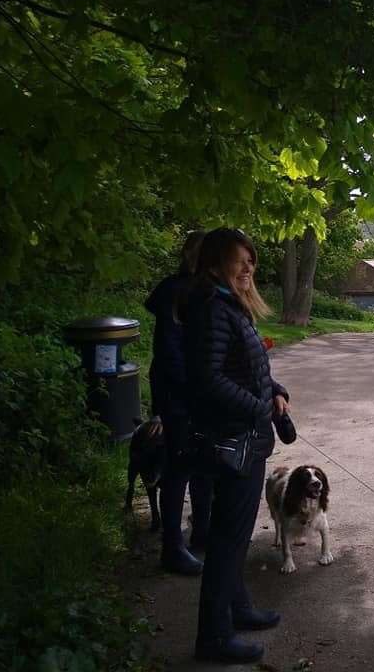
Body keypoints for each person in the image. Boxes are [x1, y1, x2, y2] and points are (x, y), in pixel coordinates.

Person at [183, 228, 290, 664]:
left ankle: (238, 608)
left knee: (236, 534)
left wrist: (275, 389)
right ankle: (213, 637)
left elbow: (247, 366)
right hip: (235, 440)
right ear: (214, 263)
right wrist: (256, 407)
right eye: (240, 260)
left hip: (246, 436)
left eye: (252, 261)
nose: (249, 268)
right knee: (228, 539)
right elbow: (208, 379)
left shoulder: (230, 308)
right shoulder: (212, 310)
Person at [144, 231, 212, 576]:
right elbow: (169, 353)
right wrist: (194, 389)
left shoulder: (202, 291)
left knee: (204, 464)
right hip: (179, 396)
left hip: (198, 395)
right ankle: (172, 546)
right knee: (179, 466)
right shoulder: (175, 292)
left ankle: (202, 530)